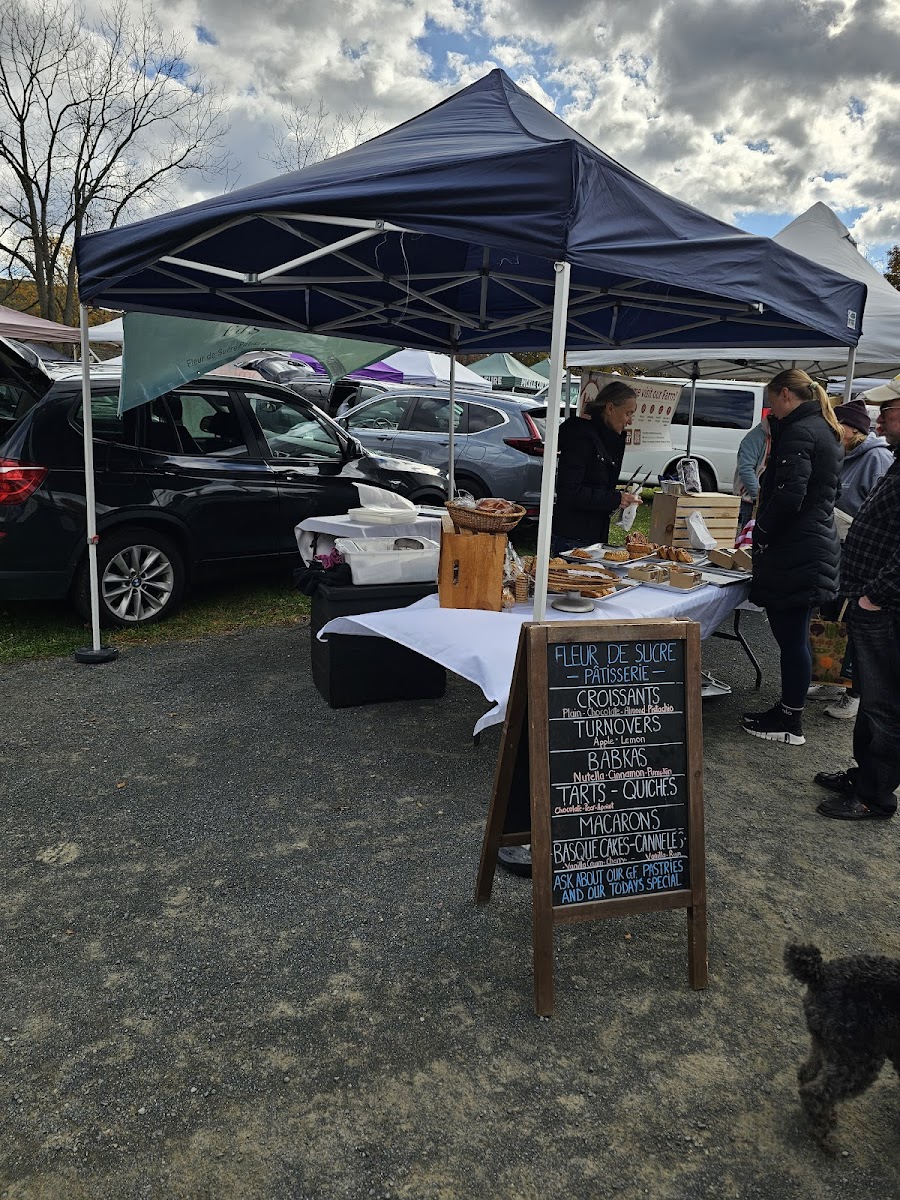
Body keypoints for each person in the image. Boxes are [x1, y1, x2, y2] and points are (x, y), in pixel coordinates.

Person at [742, 369, 843, 746]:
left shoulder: (801, 431)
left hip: (797, 549)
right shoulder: (824, 429)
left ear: (785, 394)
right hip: (812, 546)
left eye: (771, 400)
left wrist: (760, 532)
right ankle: (788, 709)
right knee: (794, 637)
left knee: (791, 639)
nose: (771, 409)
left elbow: (788, 496)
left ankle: (789, 721)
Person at [814, 383, 900, 820]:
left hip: (887, 607)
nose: (880, 421)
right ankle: (865, 775)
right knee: (870, 698)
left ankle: (876, 796)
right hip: (875, 601)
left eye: (890, 412)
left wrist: (874, 597)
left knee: (885, 706)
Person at [807, 396, 894, 719]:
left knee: (854, 625)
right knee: (832, 620)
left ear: (853, 430)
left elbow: (877, 514)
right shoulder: (844, 454)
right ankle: (829, 679)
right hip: (840, 551)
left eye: (837, 426)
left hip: (865, 562)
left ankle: (854, 691)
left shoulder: (877, 459)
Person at [551, 380, 642, 556]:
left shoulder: (605, 438)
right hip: (573, 536)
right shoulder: (582, 439)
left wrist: (619, 499)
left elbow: (596, 483)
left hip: (593, 533)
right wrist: (614, 499)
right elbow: (569, 492)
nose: (629, 421)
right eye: (628, 414)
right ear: (610, 408)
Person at [733, 415, 770, 531]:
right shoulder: (756, 437)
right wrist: (758, 496)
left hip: (761, 500)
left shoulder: (773, 435)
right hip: (750, 502)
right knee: (747, 543)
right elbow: (746, 469)